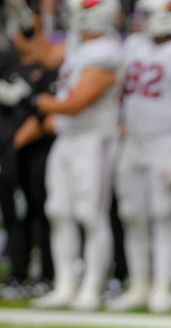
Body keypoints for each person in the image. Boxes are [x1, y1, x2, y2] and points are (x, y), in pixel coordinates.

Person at [107, 0, 171, 313]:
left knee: (164, 215)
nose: (144, 20)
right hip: (134, 141)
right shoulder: (134, 44)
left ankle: (163, 285)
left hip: (168, 141)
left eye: (150, 14)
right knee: (132, 215)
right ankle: (139, 284)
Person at [30, 0, 123, 311]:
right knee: (58, 211)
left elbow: (77, 102)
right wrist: (32, 19)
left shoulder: (107, 51)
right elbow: (41, 53)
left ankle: (92, 286)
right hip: (68, 138)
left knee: (90, 215)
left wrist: (43, 103)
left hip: (93, 139)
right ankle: (65, 284)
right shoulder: (77, 42)